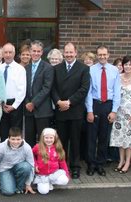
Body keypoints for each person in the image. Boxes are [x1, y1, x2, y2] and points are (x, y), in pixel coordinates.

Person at [51, 42, 90, 179]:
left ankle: (75, 167)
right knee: (61, 141)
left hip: (75, 111)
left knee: (75, 141)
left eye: (70, 52)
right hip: (60, 111)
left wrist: (69, 102)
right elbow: (53, 88)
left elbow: (84, 89)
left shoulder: (83, 69)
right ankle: (62, 166)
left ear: (76, 53)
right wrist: (58, 102)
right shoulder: (56, 68)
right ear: (63, 53)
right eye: (66, 52)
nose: (68, 54)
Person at [85, 45, 121, 176]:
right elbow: (88, 92)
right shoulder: (90, 70)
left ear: (108, 55)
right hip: (95, 104)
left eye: (104, 54)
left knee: (104, 136)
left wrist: (114, 111)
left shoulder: (114, 70)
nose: (102, 57)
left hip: (108, 105)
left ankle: (100, 163)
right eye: (100, 54)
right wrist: (89, 110)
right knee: (91, 137)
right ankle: (91, 164)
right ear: (97, 55)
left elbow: (117, 91)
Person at [109, 55, 131, 174]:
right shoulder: (117, 77)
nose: (128, 66)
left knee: (129, 139)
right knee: (119, 137)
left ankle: (128, 161)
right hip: (118, 112)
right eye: (126, 64)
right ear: (122, 65)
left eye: (130, 64)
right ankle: (121, 160)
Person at [24, 40, 54, 147]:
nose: (36, 53)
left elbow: (46, 88)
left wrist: (33, 103)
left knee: (44, 141)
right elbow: (24, 88)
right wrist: (28, 102)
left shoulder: (48, 68)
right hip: (28, 110)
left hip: (42, 110)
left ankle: (43, 162)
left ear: (42, 52)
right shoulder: (26, 68)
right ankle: (31, 162)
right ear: (30, 51)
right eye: (33, 51)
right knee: (29, 140)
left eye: (38, 51)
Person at [0, 43, 27, 143]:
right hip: (1, 104)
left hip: (15, 105)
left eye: (10, 52)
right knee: (3, 132)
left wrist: (13, 106)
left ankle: (16, 154)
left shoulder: (20, 69)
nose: (8, 55)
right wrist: (0, 103)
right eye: (5, 52)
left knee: (15, 133)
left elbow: (22, 90)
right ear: (2, 54)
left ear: (14, 54)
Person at [0, 127, 35, 196]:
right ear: (8, 138)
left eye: (18, 139)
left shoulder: (27, 147)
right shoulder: (1, 147)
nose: (15, 142)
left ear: (22, 138)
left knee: (26, 167)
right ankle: (7, 180)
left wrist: (28, 184)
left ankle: (19, 187)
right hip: (5, 169)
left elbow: (31, 165)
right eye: (13, 139)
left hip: (19, 167)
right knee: (8, 192)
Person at [32, 128, 70, 194]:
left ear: (55, 138)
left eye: (51, 138)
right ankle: (44, 181)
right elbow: (31, 155)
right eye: (46, 138)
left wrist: (67, 173)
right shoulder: (38, 147)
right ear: (43, 138)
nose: (49, 140)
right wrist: (35, 165)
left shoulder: (58, 148)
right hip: (42, 174)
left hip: (54, 173)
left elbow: (62, 162)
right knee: (43, 191)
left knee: (64, 180)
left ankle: (49, 181)